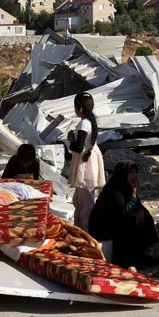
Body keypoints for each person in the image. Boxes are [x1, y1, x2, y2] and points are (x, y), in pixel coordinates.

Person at [89, 161, 159, 268]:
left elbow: (137, 206)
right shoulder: (113, 191)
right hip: (103, 226)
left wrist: (140, 212)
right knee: (130, 225)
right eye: (130, 173)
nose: (134, 175)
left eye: (135, 172)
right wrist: (134, 193)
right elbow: (122, 213)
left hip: (119, 219)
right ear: (122, 174)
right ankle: (130, 260)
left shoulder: (126, 188)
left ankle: (149, 253)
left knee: (147, 218)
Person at [67, 91, 105, 230]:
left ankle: (87, 232)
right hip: (89, 158)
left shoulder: (84, 124)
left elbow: (78, 147)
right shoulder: (90, 122)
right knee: (80, 199)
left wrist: (71, 140)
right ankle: (80, 228)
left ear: (79, 108)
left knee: (85, 202)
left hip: (85, 162)